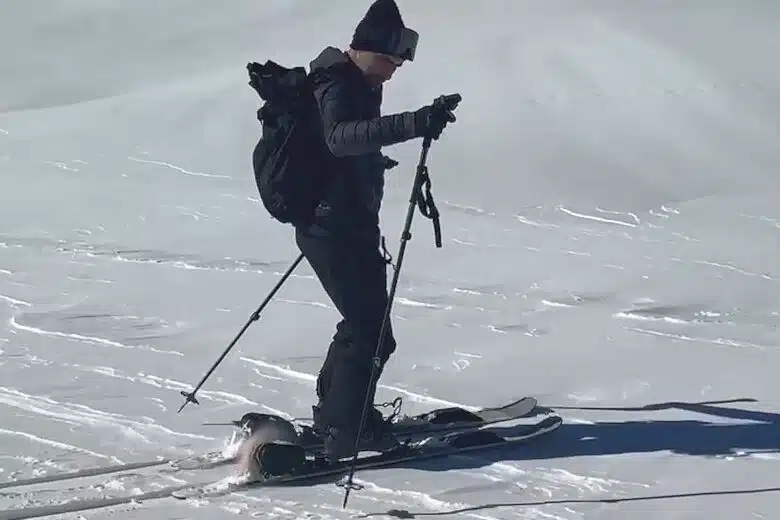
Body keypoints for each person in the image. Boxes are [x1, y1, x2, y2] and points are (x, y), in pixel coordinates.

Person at [297, 0, 456, 460]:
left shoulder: (357, 82)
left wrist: (371, 163)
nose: (394, 70)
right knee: (368, 329)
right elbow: (340, 138)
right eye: (390, 60)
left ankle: (341, 418)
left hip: (346, 221)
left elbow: (348, 145)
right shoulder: (336, 83)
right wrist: (414, 123)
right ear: (366, 50)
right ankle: (344, 430)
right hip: (330, 226)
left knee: (371, 330)